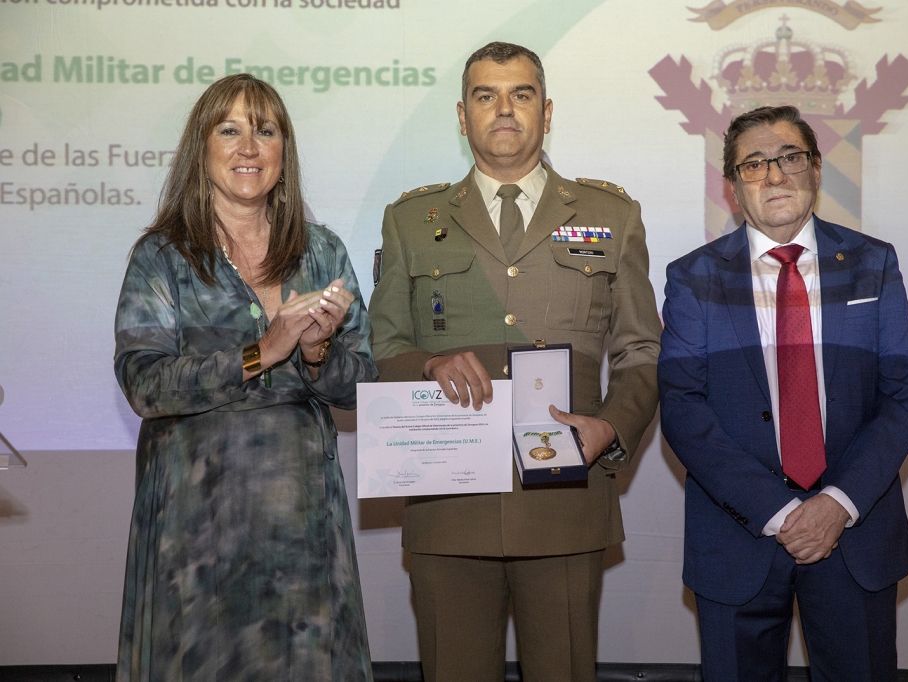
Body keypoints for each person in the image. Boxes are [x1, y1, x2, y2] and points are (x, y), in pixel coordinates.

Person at [368, 42, 661, 682]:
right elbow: (381, 349)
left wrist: (610, 427)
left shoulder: (611, 215)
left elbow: (641, 351)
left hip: (564, 501)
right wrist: (425, 366)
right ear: (462, 115)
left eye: (521, 94)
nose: (504, 109)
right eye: (485, 95)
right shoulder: (411, 220)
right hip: (449, 505)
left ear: (547, 112)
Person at [113, 73, 376, 681]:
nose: (249, 147)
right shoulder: (162, 256)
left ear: (285, 152)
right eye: (228, 130)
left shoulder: (323, 252)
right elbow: (143, 381)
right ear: (200, 151)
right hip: (196, 532)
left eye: (266, 130)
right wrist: (262, 352)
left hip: (303, 526)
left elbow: (363, 383)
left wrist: (315, 355)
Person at [659, 105, 908, 680]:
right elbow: (682, 408)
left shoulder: (873, 264)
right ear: (731, 187)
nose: (774, 176)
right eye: (753, 165)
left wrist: (836, 505)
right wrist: (780, 512)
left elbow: (902, 396)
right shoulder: (692, 278)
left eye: (788, 158)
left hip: (855, 535)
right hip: (737, 540)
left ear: (817, 170)